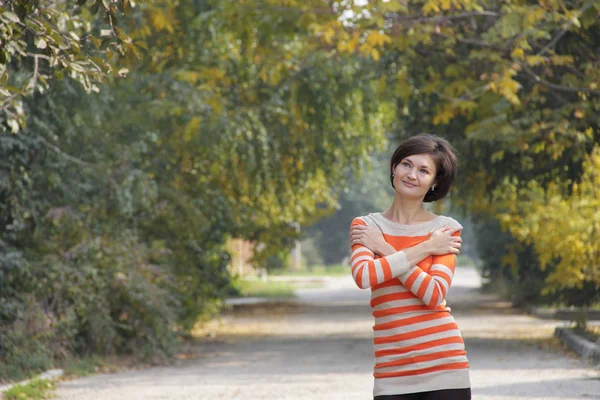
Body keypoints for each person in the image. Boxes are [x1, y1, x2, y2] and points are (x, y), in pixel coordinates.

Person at [349, 134, 471, 400]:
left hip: (445, 367)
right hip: (391, 371)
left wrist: (384, 248)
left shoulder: (445, 230)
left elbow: (434, 294)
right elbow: (364, 275)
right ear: (394, 167)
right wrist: (426, 248)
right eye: (406, 164)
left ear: (435, 181)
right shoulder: (366, 225)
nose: (412, 174)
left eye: (423, 170)